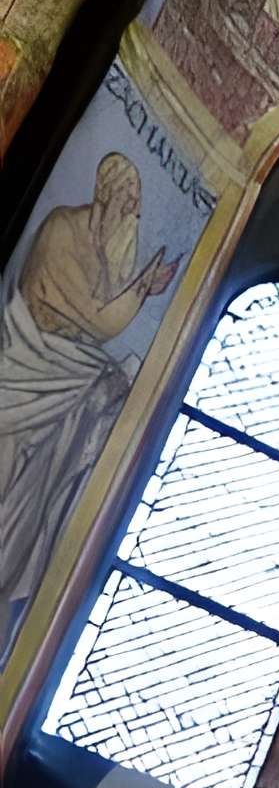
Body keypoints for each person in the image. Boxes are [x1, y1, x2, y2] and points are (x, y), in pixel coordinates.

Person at [0, 156, 176, 617]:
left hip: (64, 377)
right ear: (106, 194)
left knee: (30, 494)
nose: (130, 214)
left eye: (135, 207)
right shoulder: (64, 229)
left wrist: (141, 285)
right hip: (27, 365)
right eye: (126, 202)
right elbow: (98, 319)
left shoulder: (105, 248)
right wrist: (141, 290)